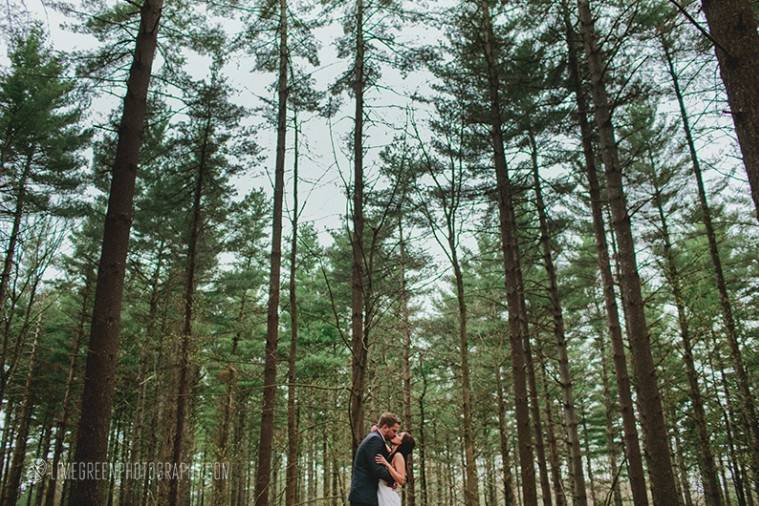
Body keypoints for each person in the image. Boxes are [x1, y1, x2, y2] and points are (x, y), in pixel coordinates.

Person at [348, 413, 400, 506]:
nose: (395, 434)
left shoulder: (376, 438)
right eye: (394, 431)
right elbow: (376, 469)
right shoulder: (375, 440)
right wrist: (393, 479)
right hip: (364, 496)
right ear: (385, 427)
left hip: (365, 496)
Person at [374, 431, 415, 506]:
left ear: (402, 443)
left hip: (388, 496)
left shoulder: (398, 456)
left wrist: (386, 464)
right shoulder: (391, 452)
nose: (395, 435)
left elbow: (402, 480)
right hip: (382, 492)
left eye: (399, 436)